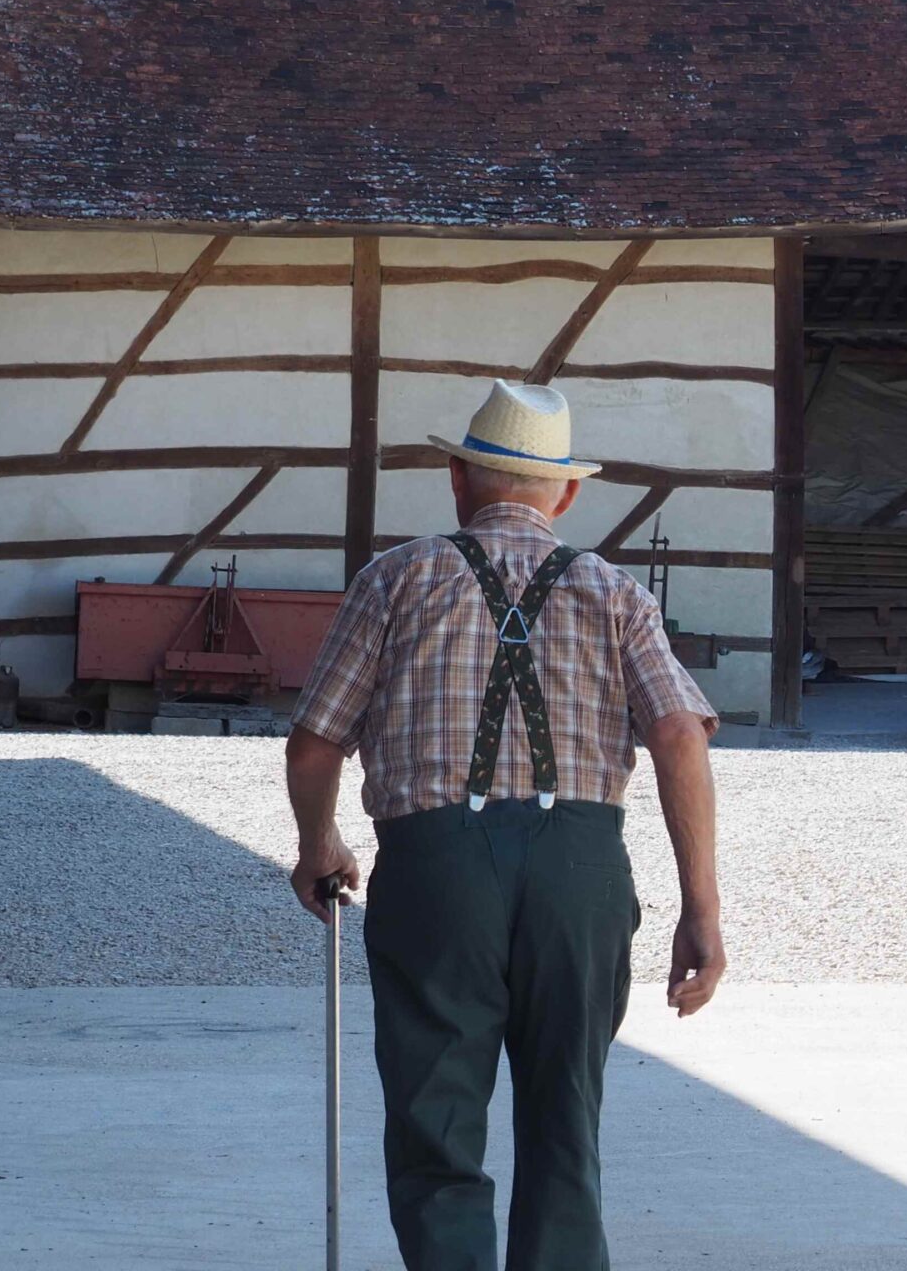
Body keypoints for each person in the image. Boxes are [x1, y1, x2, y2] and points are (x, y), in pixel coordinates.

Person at [284, 379, 726, 1271]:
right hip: (581, 870)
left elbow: (313, 742)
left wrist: (319, 845)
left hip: (435, 870)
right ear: (564, 493)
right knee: (566, 1119)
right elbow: (680, 731)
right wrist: (700, 909)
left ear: (457, 479)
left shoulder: (395, 578)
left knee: (436, 1123)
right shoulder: (614, 593)